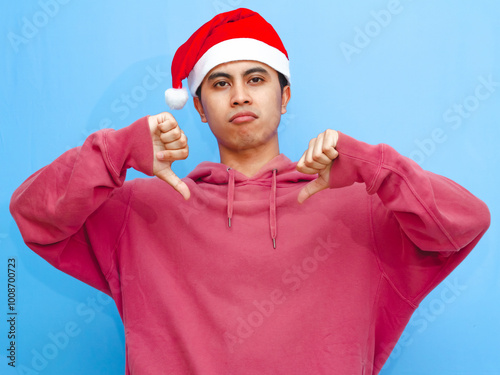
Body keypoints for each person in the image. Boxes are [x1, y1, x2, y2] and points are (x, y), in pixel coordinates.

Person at [10, 8, 490, 375]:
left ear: (283, 97)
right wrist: (115, 152)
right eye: (220, 83)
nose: (240, 95)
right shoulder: (143, 211)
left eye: (256, 79)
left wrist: (378, 169)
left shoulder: (360, 208)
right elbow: (32, 214)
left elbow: (466, 222)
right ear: (198, 107)